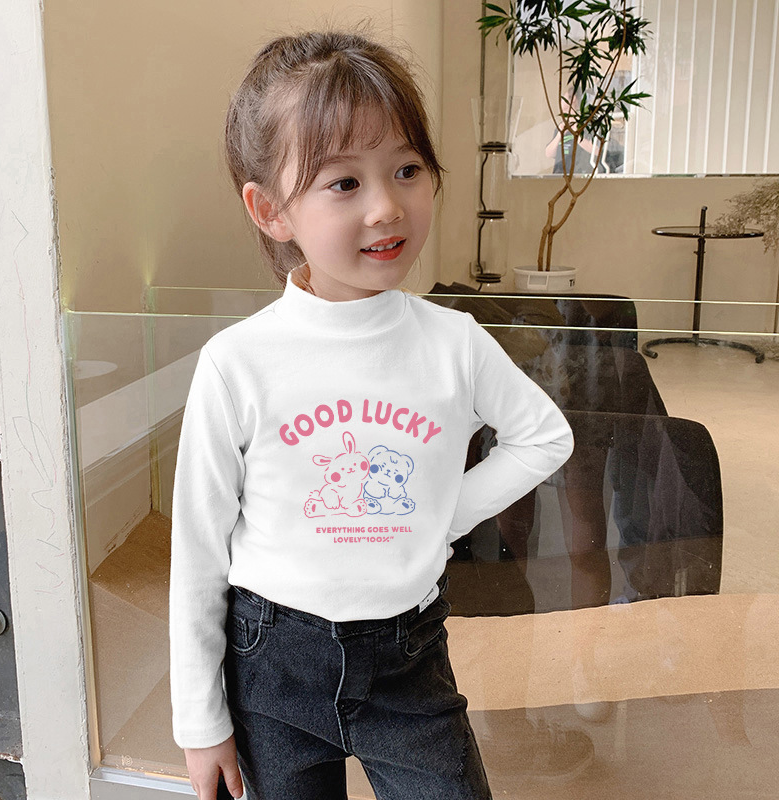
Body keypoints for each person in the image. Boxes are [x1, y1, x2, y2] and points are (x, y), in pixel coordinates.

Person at [169, 29, 574, 800]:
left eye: (407, 169)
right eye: (344, 182)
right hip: (271, 667)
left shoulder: (453, 341)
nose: (387, 207)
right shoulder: (238, 361)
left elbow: (543, 435)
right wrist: (200, 721)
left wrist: (444, 513)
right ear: (270, 210)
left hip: (407, 664)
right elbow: (198, 550)